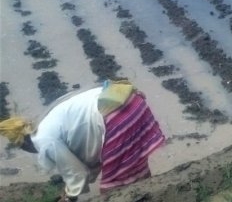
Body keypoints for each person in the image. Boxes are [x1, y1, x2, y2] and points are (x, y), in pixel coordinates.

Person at [0, 81, 166, 201]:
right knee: (131, 163)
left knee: (114, 186)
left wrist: (70, 197)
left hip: (117, 115)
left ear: (24, 143)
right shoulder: (47, 121)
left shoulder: (44, 141)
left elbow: (76, 172)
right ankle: (148, 189)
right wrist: (71, 189)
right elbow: (86, 158)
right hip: (129, 100)